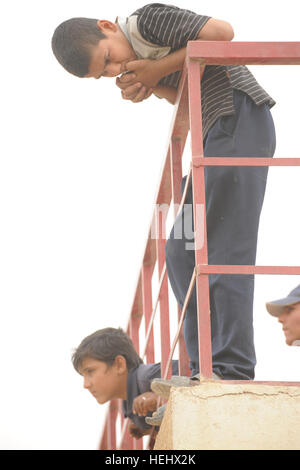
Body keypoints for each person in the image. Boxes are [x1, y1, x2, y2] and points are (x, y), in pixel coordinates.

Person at [52, 4, 276, 382]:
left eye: (107, 59)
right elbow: (185, 96)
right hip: (214, 136)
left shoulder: (147, 21)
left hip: (238, 119)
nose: (113, 71)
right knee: (181, 249)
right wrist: (153, 86)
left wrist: (155, 69)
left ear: (108, 27)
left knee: (226, 249)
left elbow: (222, 33)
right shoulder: (140, 55)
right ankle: (202, 366)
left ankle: (232, 367)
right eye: (103, 75)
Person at [72, 327, 178, 437]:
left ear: (119, 365)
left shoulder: (148, 376)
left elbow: (194, 379)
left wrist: (160, 398)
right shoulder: (128, 405)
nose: (86, 385)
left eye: (90, 371)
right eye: (83, 376)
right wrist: (146, 427)